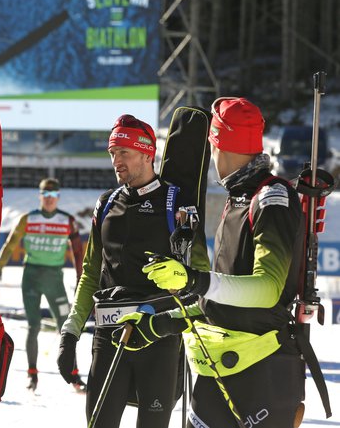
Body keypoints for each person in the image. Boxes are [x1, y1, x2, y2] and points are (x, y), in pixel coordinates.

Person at [134, 97, 307, 427]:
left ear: (219, 145)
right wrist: (161, 321)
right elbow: (223, 295)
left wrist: (194, 279)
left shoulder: (271, 197)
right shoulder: (238, 197)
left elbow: (267, 290)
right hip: (222, 364)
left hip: (261, 369)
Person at [56, 115, 209, 427]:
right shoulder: (106, 203)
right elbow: (90, 273)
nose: (116, 161)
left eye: (124, 152)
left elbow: (200, 276)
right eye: (112, 153)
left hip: (157, 337)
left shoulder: (176, 201)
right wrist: (70, 333)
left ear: (146, 153)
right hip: (108, 335)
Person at [0, 177, 86, 392]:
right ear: (40, 196)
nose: (49, 200)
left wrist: (80, 278)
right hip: (31, 278)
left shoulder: (67, 220)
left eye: (53, 196)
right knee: (33, 326)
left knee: (67, 326)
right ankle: (32, 374)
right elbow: (10, 245)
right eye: (45, 195)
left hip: (54, 279)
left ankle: (74, 376)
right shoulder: (28, 219)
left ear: (58, 197)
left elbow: (77, 252)